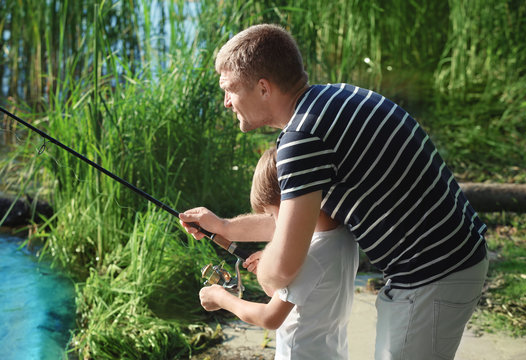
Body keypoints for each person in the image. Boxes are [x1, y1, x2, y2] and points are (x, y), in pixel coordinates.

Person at [180, 24, 489, 359]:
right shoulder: (331, 101)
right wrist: (224, 227)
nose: (226, 102)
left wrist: (265, 270)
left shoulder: (302, 139)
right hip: (447, 260)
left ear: (264, 88)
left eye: (229, 90)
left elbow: (282, 269)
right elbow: (294, 224)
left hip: (432, 273)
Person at [199, 146, 359, 359]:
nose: (275, 223)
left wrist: (221, 298)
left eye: (272, 215)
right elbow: (309, 298)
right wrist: (272, 276)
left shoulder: (309, 255)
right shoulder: (345, 236)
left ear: (291, 203)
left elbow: (270, 318)